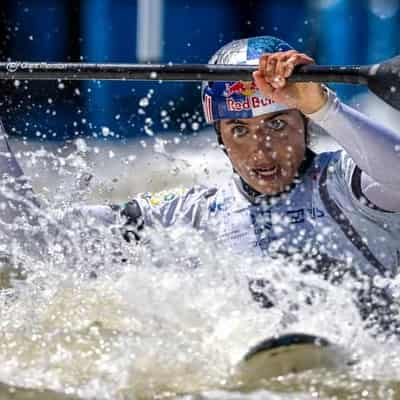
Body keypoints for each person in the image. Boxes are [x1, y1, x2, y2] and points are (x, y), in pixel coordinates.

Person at [1, 36, 400, 336]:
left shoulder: (349, 182)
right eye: (239, 129)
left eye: (277, 124)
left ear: (305, 124)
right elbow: (34, 239)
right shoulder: (189, 214)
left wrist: (323, 104)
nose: (261, 150)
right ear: (220, 138)